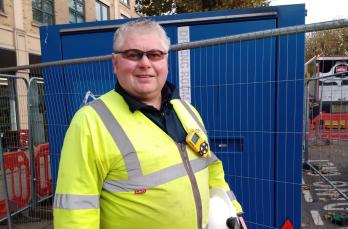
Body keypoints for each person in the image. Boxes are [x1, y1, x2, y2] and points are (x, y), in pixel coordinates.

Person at [53, 19, 246, 229]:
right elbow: (75, 212)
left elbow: (213, 169)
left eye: (155, 55)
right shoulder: (90, 122)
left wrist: (232, 210)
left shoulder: (187, 111)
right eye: (133, 54)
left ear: (165, 61)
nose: (145, 63)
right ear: (115, 63)